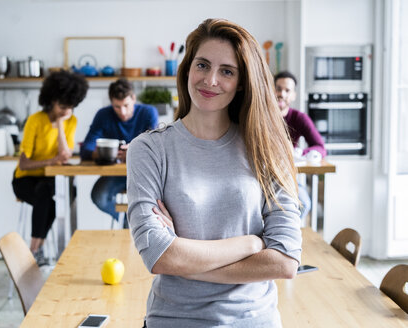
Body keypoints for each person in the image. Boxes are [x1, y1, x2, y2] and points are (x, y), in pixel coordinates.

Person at [127, 18, 302, 327]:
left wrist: (183, 258)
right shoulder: (149, 149)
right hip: (174, 319)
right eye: (203, 65)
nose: (210, 80)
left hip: (254, 321)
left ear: (243, 82)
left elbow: (285, 261)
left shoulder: (269, 149)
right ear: (187, 69)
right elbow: (159, 256)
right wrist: (252, 243)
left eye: (227, 71)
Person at [12, 70, 88, 266]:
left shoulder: (71, 120)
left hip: (49, 179)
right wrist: (52, 161)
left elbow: (65, 155)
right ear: (51, 100)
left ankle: (36, 250)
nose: (65, 110)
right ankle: (36, 250)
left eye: (69, 107)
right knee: (45, 196)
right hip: (25, 178)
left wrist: (61, 123)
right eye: (62, 106)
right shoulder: (35, 120)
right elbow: (24, 164)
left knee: (66, 194)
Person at [80, 78, 158, 228]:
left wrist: (134, 150)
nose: (122, 112)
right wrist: (105, 153)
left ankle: (136, 227)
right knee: (99, 197)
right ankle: (128, 225)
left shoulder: (148, 113)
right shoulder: (103, 115)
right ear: (110, 102)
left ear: (134, 99)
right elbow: (86, 149)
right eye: (116, 107)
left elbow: (155, 148)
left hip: (143, 175)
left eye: (126, 105)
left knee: (153, 203)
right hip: (115, 174)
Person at [274, 71, 326, 220]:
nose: (282, 94)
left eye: (287, 90)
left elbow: (320, 147)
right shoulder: (261, 116)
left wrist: (299, 152)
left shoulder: (299, 118)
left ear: (293, 95)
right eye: (278, 88)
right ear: (271, 90)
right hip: (262, 175)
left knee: (304, 203)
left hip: (288, 175)